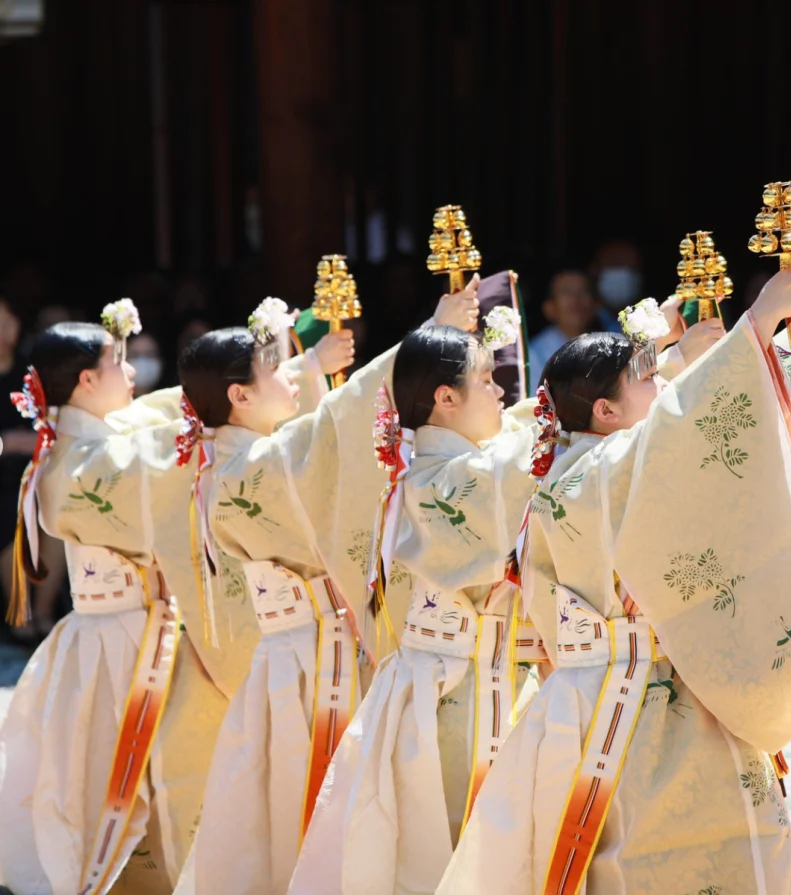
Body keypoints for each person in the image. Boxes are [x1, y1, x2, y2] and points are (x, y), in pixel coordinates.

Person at [435, 268, 791, 894]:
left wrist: (777, 339)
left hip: (639, 685)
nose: (662, 383)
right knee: (644, 854)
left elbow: (678, 423)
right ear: (606, 410)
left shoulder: (582, 463)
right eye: (647, 380)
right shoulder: (597, 474)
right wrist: (756, 325)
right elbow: (681, 426)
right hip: (630, 701)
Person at [290, 299, 722, 895]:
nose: (502, 393)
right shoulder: (436, 483)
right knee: (443, 854)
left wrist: (649, 355)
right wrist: (666, 370)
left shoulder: (458, 466)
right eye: (486, 380)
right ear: (445, 399)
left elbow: (555, 425)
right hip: (452, 692)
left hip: (484, 679)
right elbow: (566, 439)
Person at [172, 289, 476, 895]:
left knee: (298, 802)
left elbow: (318, 431)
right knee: (309, 803)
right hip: (311, 663)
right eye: (278, 370)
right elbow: (334, 428)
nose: (293, 376)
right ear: (239, 396)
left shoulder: (230, 461)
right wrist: (428, 338)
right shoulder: (246, 470)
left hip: (308, 652)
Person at [0, 303, 229, 895]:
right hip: (119, 641)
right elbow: (156, 455)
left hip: (142, 631)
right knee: (113, 779)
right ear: (86, 381)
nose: (133, 374)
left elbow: (153, 417)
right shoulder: (80, 465)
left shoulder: (89, 444)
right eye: (120, 363)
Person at [0, 296, 65, 643]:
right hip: (3, 480)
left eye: (6, 321)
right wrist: (6, 443)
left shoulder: (29, 374)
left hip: (37, 472)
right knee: (13, 519)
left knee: (54, 519)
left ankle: (43, 612)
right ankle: (18, 614)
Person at [528, 270, 621, 393]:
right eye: (567, 292)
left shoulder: (612, 346)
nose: (575, 300)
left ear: (595, 304)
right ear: (549, 307)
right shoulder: (534, 353)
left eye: (583, 292)